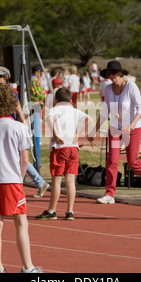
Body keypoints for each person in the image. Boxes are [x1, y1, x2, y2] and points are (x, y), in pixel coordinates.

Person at [0, 83, 42, 273]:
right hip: (12, 180)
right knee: (21, 222)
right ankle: (27, 267)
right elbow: (25, 158)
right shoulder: (19, 127)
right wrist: (19, 179)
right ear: (12, 103)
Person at [87, 61, 141, 204]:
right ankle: (110, 193)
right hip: (115, 128)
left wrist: (133, 124)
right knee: (112, 160)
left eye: (113, 73)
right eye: (108, 74)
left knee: (132, 161)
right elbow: (105, 111)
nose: (111, 76)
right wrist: (93, 131)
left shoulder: (131, 87)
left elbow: (140, 109)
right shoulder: (108, 89)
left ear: (120, 73)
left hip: (132, 127)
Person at [0, 66, 50, 198]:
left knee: (16, 156)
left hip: (9, 125)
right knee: (15, 157)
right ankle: (39, 182)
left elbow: (17, 106)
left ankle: (35, 182)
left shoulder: (9, 92)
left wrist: (22, 121)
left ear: (5, 77)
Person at [36, 88, 91, 221]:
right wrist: (78, 134)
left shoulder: (54, 110)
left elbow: (49, 119)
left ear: (55, 100)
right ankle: (70, 211)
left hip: (59, 147)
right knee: (70, 181)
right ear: (71, 100)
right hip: (73, 148)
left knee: (56, 180)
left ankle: (52, 210)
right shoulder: (74, 111)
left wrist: (55, 134)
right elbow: (89, 119)